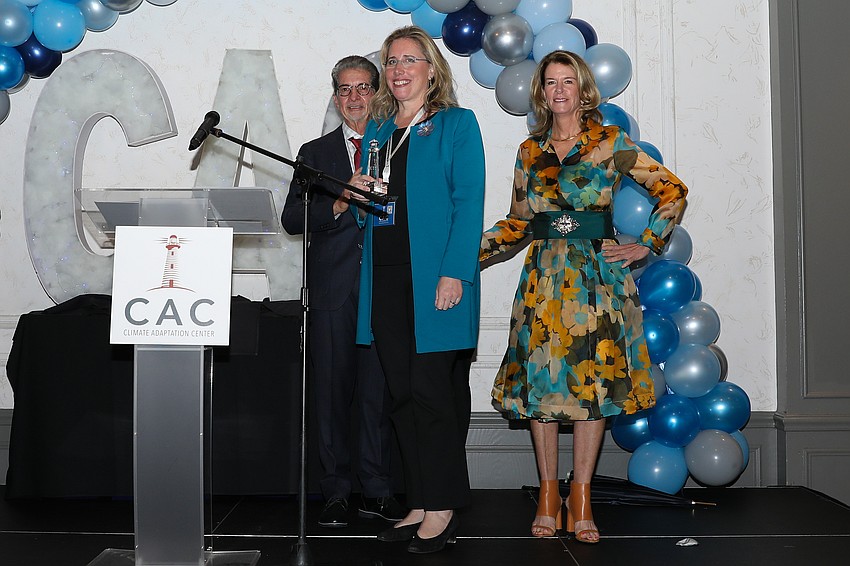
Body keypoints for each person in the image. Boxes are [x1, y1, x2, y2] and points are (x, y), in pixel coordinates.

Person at [480, 50, 688, 544]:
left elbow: (672, 190)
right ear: (541, 92)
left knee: (592, 389)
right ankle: (549, 496)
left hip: (598, 279)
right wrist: (465, 256)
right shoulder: (529, 151)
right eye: (550, 82)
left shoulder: (610, 143)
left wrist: (648, 243)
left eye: (567, 81)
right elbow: (518, 222)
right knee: (544, 390)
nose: (559, 90)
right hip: (545, 282)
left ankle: (583, 496)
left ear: (583, 88)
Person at [348, 26, 485, 554]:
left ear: (432, 69)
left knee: (432, 395)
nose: (399, 68)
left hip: (434, 279)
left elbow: (467, 203)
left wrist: (454, 273)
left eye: (410, 59)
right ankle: (422, 499)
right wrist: (359, 196)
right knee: (401, 397)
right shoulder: (380, 133)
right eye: (392, 61)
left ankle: (445, 505)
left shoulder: (455, 124)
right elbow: (380, 211)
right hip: (385, 276)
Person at [282, 55, 406, 529]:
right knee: (330, 396)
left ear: (378, 93)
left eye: (363, 88)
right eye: (344, 90)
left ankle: (376, 490)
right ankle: (334, 492)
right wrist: (338, 201)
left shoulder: (397, 144)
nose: (354, 98)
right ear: (335, 96)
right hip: (333, 290)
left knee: (377, 396)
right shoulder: (315, 153)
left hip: (383, 287)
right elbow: (292, 219)